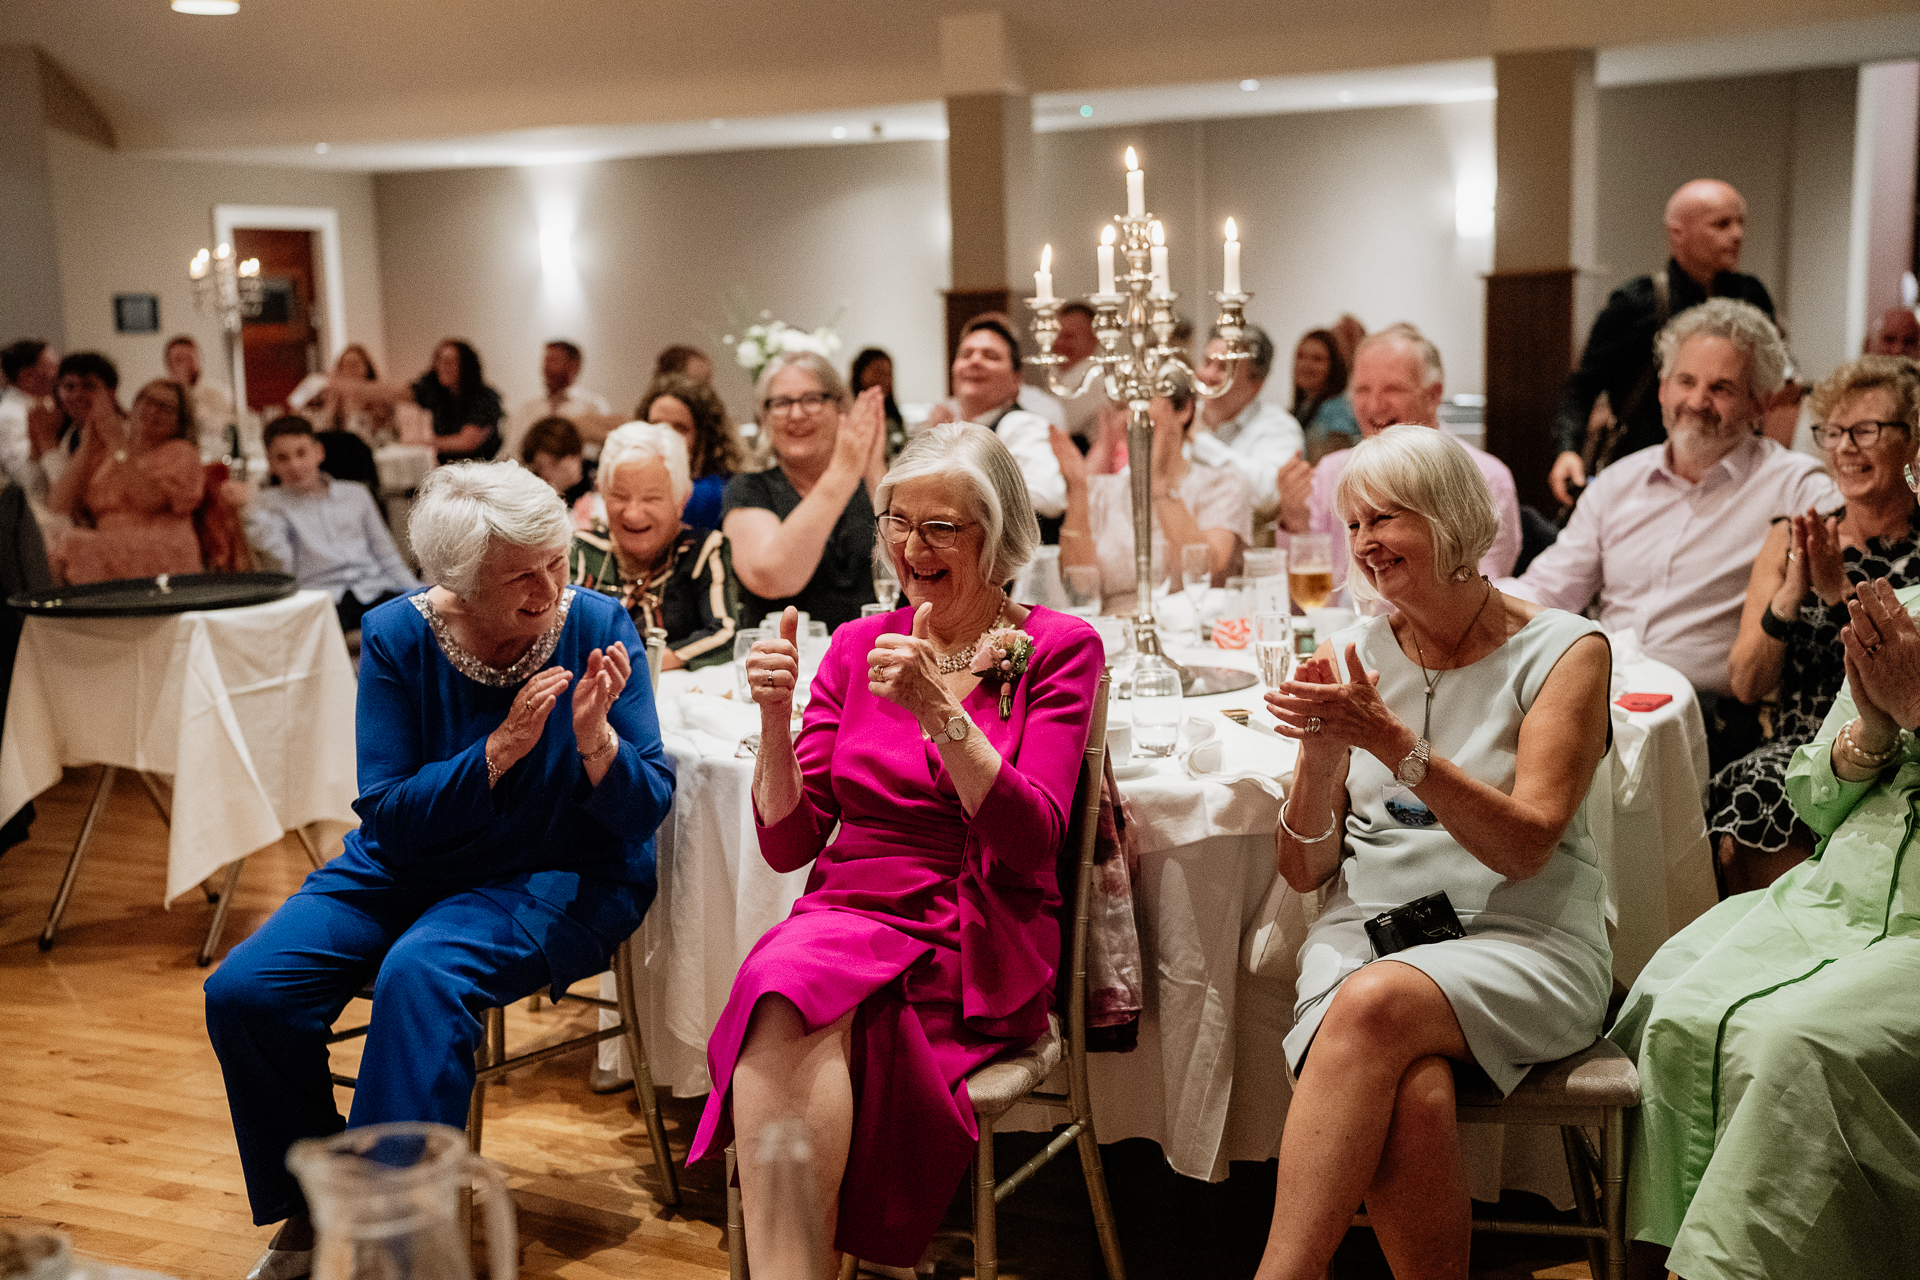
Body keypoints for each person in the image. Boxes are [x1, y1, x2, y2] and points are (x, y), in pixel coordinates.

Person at [204, 461, 675, 1280]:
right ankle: (316, 1213)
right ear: (458, 579)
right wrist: (495, 754)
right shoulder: (397, 636)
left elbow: (647, 809)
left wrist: (597, 742)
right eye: (521, 575)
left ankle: (391, 1248)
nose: (549, 589)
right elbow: (385, 809)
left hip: (561, 872)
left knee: (423, 971)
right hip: (408, 863)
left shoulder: (596, 621)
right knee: (247, 992)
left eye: (557, 562)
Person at [687, 422, 1102, 1276]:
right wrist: (775, 722)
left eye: (942, 527)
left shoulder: (1059, 649)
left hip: (972, 919)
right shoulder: (851, 646)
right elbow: (788, 842)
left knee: (799, 1000)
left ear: (998, 536)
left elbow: (1032, 843)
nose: (914, 548)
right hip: (846, 909)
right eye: (897, 523)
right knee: (780, 987)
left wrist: (939, 712)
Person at [1256, 424, 1614, 1279]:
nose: (1367, 543)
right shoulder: (1358, 654)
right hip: (1372, 932)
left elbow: (1526, 848)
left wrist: (1396, 748)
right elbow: (1306, 871)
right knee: (1412, 1091)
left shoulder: (1565, 650)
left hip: (1524, 936)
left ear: (1452, 518)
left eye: (1389, 517)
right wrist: (1320, 753)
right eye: (1353, 523)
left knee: (1377, 1008)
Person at [1609, 572, 1920, 1280]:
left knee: (1794, 1047)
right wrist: (1871, 729)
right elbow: (1815, 793)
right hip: (1835, 893)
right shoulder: (1907, 611)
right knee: (1669, 1005)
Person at [1513, 299, 1838, 772]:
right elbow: (1549, 589)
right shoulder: (1620, 482)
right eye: (1685, 381)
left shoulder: (1797, 487)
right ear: (1663, 389)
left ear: (1761, 402)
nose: (1697, 402)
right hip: (1595, 697)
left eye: (1721, 388)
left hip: (1705, 722)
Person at [1714, 354, 1919, 895]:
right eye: (1832, 431)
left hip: (1900, 746)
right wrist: (1791, 592)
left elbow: (1897, 668)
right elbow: (1744, 683)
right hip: (1802, 744)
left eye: (1866, 430)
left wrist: (1837, 595)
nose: (1846, 447)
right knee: (1751, 786)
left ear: (1912, 441)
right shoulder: (1791, 537)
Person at [1550, 179, 1776, 507]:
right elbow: (1582, 387)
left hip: (1733, 474)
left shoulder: (1751, 296)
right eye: (1722, 224)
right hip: (1647, 475)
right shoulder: (1637, 301)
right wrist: (1567, 450)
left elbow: (1773, 385)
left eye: (1741, 223)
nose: (1737, 234)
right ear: (1677, 232)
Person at [1280, 324, 1522, 592]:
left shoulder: (1485, 477)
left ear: (1433, 395)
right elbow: (1300, 602)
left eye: (1393, 389)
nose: (1374, 406)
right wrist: (1295, 523)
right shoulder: (1332, 471)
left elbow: (1478, 595)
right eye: (1362, 390)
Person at [1051, 383, 1253, 614]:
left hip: (1193, 631)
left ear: (1184, 409)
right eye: (1120, 407)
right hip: (1114, 632)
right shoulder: (1099, 491)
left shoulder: (1223, 484)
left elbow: (1202, 569)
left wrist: (1158, 486)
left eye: (1141, 401)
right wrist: (1077, 490)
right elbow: (1081, 586)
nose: (1130, 417)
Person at [722, 351, 884, 631]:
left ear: (840, 408)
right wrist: (843, 471)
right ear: (765, 416)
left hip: (876, 655)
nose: (796, 414)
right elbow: (772, 577)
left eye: (812, 399)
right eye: (782, 403)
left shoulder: (870, 481)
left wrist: (874, 468)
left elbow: (910, 565)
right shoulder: (748, 489)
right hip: (787, 663)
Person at [569, 422, 736, 671]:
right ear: (603, 495)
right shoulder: (582, 551)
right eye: (620, 496)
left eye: (651, 498)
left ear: (682, 500)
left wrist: (648, 665)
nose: (633, 513)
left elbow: (725, 633)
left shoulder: (702, 550)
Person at [238, 416, 420, 635]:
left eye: (301, 453)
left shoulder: (355, 494)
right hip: (323, 598)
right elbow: (281, 565)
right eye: (282, 458)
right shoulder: (269, 504)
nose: (294, 465)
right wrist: (251, 512)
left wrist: (418, 593)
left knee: (416, 621)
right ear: (271, 464)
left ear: (318, 452)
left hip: (373, 588)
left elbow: (387, 556)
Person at [49, 378, 206, 585]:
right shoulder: (108, 454)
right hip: (109, 542)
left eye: (165, 407)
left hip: (159, 547)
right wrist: (87, 446)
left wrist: (119, 445)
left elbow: (147, 500)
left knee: (71, 544)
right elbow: (57, 505)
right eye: (147, 401)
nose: (153, 410)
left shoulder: (181, 452)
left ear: (180, 420)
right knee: (50, 539)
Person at [922, 316, 1067, 541]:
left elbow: (1049, 498)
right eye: (966, 354)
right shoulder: (952, 425)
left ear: (1016, 380)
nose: (975, 361)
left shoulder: (1019, 424)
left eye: (990, 355)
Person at [1189, 322, 1307, 528]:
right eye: (1207, 363)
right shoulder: (1185, 416)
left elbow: (1268, 493)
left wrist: (1197, 442)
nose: (1208, 375)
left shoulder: (1279, 427)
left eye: (1224, 368)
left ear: (1257, 383)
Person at [638, 373, 744, 531]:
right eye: (655, 425)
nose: (665, 436)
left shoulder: (713, 491)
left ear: (705, 438)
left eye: (679, 428)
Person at [502, 340, 612, 461]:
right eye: (545, 361)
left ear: (574, 367)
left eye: (554, 361)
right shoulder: (528, 408)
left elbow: (601, 450)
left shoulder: (593, 406)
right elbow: (511, 450)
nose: (546, 368)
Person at [402, 339, 506, 461]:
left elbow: (467, 443)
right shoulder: (439, 393)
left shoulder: (485, 397)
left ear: (464, 365)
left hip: (479, 469)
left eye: (448, 362)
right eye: (439, 361)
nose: (441, 367)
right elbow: (401, 393)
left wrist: (422, 443)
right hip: (447, 467)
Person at [289, 343, 398, 449]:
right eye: (346, 365)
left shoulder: (380, 391)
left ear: (366, 367)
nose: (351, 369)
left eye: (355, 364)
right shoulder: (329, 390)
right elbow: (296, 405)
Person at [1290, 328, 1360, 463]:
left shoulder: (1338, 412)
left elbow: (1333, 468)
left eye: (1317, 359)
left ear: (1333, 367)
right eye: (1301, 356)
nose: (1306, 365)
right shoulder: (1301, 410)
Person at [0, 338, 59, 495]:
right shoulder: (9, 416)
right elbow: (27, 481)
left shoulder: (50, 404)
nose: (60, 372)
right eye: (53, 366)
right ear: (28, 376)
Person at [164, 335, 237, 457]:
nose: (184, 365)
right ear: (168, 365)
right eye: (178, 360)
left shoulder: (219, 392)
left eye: (189, 358)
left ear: (198, 360)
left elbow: (227, 430)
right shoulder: (161, 398)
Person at [1045, 302, 1105, 447]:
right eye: (1056, 336)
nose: (1059, 343)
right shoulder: (1059, 374)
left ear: (1094, 339)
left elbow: (1060, 426)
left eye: (1069, 337)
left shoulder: (1094, 378)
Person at [520, 415, 594, 510]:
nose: (544, 474)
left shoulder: (596, 484)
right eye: (539, 468)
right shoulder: (538, 494)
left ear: (572, 457)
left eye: (552, 464)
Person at [848, 346, 908, 463]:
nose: (884, 380)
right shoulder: (849, 413)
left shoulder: (892, 416)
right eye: (878, 373)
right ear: (860, 374)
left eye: (888, 375)